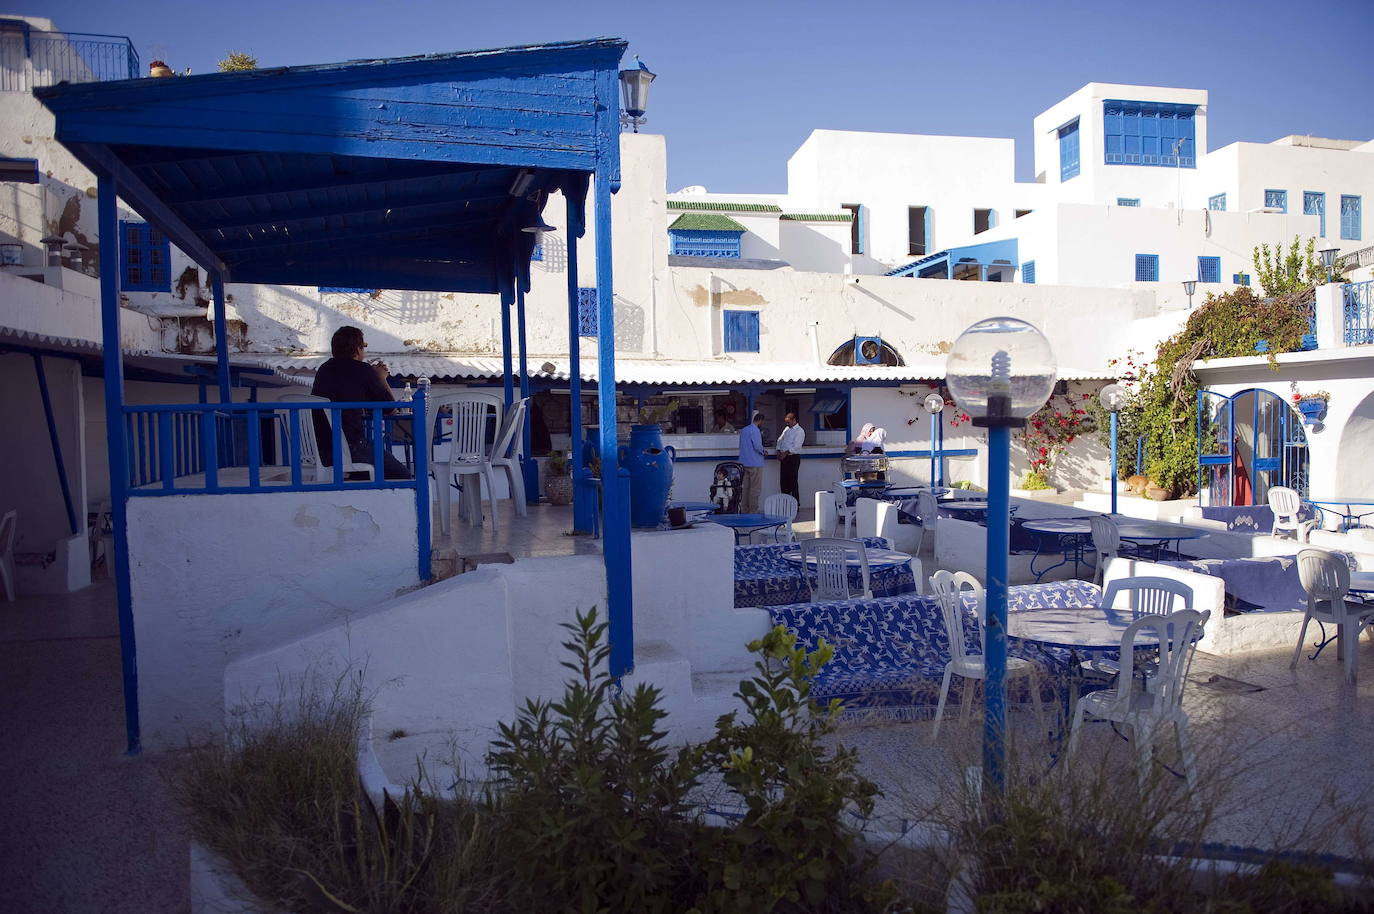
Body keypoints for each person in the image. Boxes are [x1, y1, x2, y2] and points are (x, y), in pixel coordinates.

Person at [310, 326, 411, 480]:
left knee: (367, 473)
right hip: (351, 448)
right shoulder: (363, 370)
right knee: (402, 475)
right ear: (357, 349)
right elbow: (390, 410)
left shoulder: (324, 370)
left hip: (324, 450)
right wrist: (381, 378)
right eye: (363, 347)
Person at [738, 411, 766, 513]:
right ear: (761, 421)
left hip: (744, 463)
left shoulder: (744, 430)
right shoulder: (755, 430)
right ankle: (753, 511)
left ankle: (744, 510)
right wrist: (764, 451)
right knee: (755, 489)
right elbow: (757, 446)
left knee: (745, 488)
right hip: (755, 463)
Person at [775, 411, 804, 501]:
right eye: (786, 422)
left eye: (789, 422)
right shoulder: (786, 429)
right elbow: (780, 440)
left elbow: (796, 446)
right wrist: (779, 450)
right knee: (783, 481)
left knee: (793, 481)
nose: (787, 424)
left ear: (794, 420)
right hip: (784, 458)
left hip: (793, 457)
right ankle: (785, 501)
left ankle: (795, 502)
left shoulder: (799, 431)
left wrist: (786, 453)